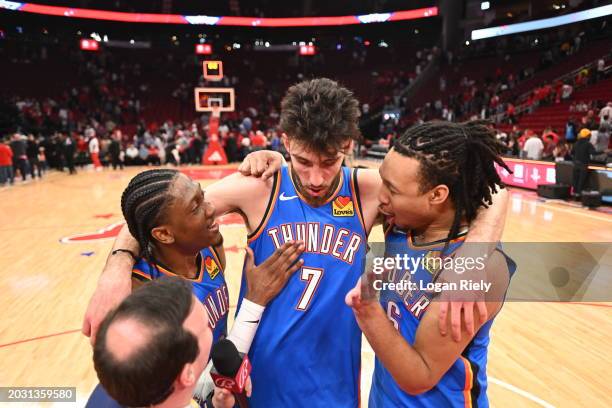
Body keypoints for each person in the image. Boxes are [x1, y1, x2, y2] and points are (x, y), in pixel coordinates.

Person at [84, 78, 507, 408]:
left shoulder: (367, 189)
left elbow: (487, 188)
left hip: (336, 387)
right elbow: (152, 213)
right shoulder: (259, 186)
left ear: (348, 147)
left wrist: (476, 254)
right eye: (304, 161)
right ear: (284, 142)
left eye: (330, 162)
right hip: (258, 381)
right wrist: (117, 266)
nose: (317, 177)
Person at [88, 169, 304, 407]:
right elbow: (168, 385)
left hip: (219, 368)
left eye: (202, 197)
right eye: (195, 207)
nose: (211, 209)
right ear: (164, 234)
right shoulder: (144, 293)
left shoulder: (209, 246)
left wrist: (272, 158)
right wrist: (255, 298)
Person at [345, 121, 515, 407]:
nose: (381, 196)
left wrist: (368, 312)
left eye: (392, 189)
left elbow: (419, 376)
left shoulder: (483, 270)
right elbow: (498, 192)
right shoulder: (400, 223)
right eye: (382, 180)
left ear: (437, 195)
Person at [572, 129, 596, 197]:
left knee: (575, 180)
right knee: (582, 181)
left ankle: (574, 194)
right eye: (590, 135)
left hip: (575, 164)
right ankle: (579, 195)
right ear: (587, 136)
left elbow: (572, 152)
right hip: (583, 164)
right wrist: (604, 151)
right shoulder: (588, 144)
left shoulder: (576, 143)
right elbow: (593, 153)